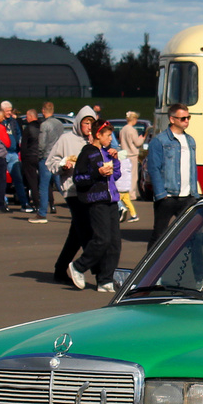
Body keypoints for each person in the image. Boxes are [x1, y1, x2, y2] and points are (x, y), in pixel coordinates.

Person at [67, 119, 122, 291]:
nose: (110, 140)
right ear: (98, 135)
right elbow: (79, 178)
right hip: (96, 201)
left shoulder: (106, 152)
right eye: (108, 136)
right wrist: (96, 173)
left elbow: (116, 175)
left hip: (112, 200)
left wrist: (116, 160)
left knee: (114, 243)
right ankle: (78, 266)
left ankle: (105, 279)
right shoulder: (87, 153)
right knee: (102, 239)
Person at [46, 106, 99, 283]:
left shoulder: (95, 140)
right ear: (79, 123)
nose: (89, 127)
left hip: (92, 191)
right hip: (72, 190)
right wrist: (63, 165)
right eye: (86, 123)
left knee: (76, 234)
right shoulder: (66, 139)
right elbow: (51, 162)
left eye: (92, 123)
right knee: (85, 231)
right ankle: (98, 271)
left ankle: (60, 268)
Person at [147, 103, 199, 249]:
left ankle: (200, 272)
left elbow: (192, 168)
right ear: (172, 119)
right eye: (182, 118)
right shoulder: (160, 141)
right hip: (167, 197)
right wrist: (161, 194)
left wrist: (194, 193)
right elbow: (154, 168)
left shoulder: (190, 140)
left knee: (193, 236)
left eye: (188, 117)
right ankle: (148, 270)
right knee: (159, 236)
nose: (186, 121)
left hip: (187, 197)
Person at [33, 102, 65, 224]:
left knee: (44, 186)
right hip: (57, 155)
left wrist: (40, 156)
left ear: (43, 110)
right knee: (61, 185)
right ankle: (75, 208)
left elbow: (41, 144)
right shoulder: (59, 124)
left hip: (46, 157)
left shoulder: (45, 125)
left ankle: (42, 212)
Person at [20, 108, 42, 214]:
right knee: (43, 181)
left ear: (31, 116)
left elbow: (23, 146)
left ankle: (36, 204)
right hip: (41, 156)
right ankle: (49, 203)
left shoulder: (28, 129)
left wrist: (23, 160)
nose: (26, 118)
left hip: (30, 157)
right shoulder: (42, 127)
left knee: (32, 181)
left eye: (27, 116)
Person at [120, 111, 145, 201]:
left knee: (126, 175)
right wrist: (142, 139)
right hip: (132, 155)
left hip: (124, 154)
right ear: (133, 119)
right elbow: (137, 143)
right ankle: (132, 194)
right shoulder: (132, 130)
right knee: (133, 176)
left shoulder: (123, 129)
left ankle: (125, 193)